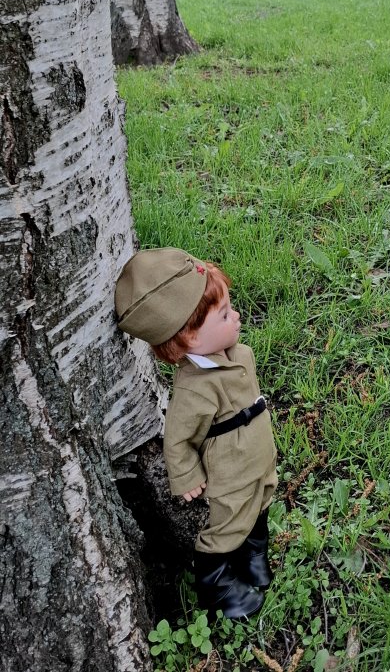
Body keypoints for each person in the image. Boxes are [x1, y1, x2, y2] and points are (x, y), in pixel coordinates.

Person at [115, 248, 278, 618]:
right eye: (223, 315)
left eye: (230, 307)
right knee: (227, 522)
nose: (235, 317)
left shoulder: (241, 355)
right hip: (230, 469)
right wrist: (186, 474)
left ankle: (253, 554)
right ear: (187, 338)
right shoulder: (193, 389)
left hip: (259, 456)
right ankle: (216, 584)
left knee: (263, 498)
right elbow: (179, 437)